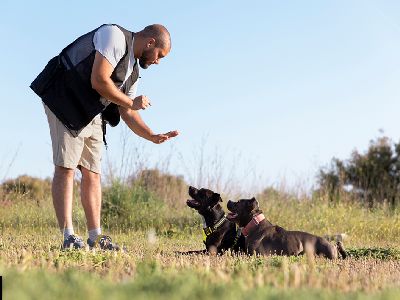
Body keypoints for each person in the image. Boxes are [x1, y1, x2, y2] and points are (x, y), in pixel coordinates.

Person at [30, 24, 178, 250]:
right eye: (160, 55)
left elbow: (127, 111)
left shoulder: (133, 71)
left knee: (93, 172)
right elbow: (99, 80)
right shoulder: (114, 36)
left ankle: (95, 237)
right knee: (66, 167)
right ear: (150, 43)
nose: (158, 61)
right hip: (65, 99)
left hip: (91, 110)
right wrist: (130, 102)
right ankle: (68, 237)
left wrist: (152, 135)